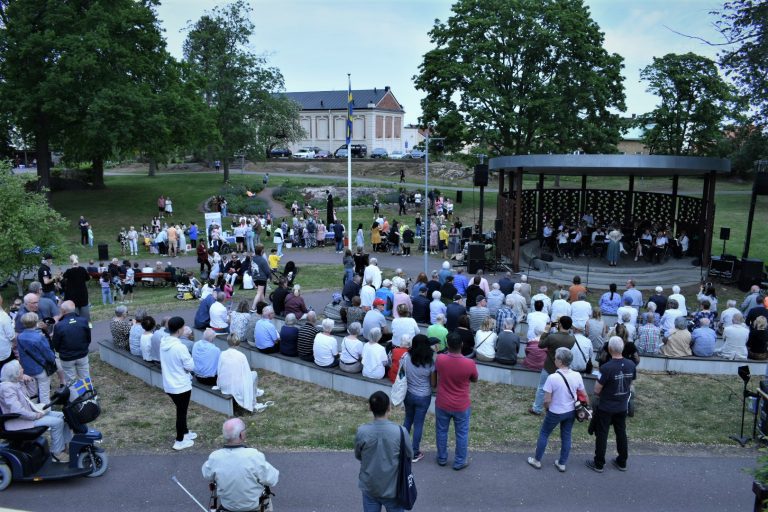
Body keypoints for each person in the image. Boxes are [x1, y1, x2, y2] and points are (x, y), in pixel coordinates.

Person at [0, 360, 72, 463]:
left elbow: (31, 394)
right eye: (20, 368)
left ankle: (64, 446)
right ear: (14, 373)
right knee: (57, 422)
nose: (23, 369)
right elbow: (16, 409)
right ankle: (57, 454)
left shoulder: (15, 382)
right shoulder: (7, 388)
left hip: (28, 415)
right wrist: (34, 416)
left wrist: (30, 381)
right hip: (19, 421)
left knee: (63, 415)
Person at [527, 347, 586, 472]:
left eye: (556, 357)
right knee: (566, 436)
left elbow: (547, 400)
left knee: (544, 433)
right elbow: (583, 394)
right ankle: (562, 463)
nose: (554, 359)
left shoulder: (552, 378)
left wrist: (547, 409)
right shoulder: (577, 375)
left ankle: (537, 460)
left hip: (555, 411)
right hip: (570, 411)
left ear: (560, 361)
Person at [202, 418, 279, 512]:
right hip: (255, 507)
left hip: (228, 507)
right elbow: (272, 479)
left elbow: (206, 474)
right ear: (241, 435)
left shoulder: (215, 457)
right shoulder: (254, 455)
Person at [355, 391, 412, 511]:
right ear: (389, 407)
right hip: (394, 488)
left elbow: (359, 455)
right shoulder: (401, 432)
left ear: (370, 408)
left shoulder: (362, 431)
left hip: (370, 486)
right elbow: (409, 455)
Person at [586, 336, 636, 473]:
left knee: (602, 434)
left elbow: (597, 390)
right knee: (621, 433)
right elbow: (631, 384)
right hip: (621, 406)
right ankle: (622, 461)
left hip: (606, 406)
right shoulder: (631, 365)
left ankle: (599, 463)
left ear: (609, 349)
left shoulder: (606, 368)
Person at [434, 332, 478, 470]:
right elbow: (474, 379)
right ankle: (459, 461)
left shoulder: (440, 359)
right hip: (461, 404)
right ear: (462, 345)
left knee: (441, 431)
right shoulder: (469, 363)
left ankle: (442, 458)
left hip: (442, 402)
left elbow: (437, 373)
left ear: (447, 344)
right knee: (462, 433)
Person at [159, 317, 197, 451]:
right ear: (180, 329)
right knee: (181, 412)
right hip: (181, 385)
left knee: (182, 411)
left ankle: (185, 432)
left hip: (169, 384)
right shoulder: (180, 347)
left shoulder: (164, 342)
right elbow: (191, 366)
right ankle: (179, 440)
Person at [530, 316, 576, 416]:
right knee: (558, 390)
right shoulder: (572, 339)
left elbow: (540, 344)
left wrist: (546, 331)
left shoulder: (552, 337)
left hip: (549, 366)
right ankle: (552, 408)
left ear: (559, 324)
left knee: (542, 388)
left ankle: (537, 408)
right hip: (562, 368)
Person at [401, 334, 434, 464]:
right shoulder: (430, 362)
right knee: (418, 423)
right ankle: (415, 452)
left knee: (408, 419)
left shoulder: (406, 357)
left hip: (408, 393)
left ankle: (402, 448)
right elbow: (433, 383)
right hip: (423, 395)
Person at [218, 333, 266, 414]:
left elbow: (219, 370)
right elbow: (246, 374)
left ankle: (253, 393)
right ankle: (253, 400)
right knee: (254, 374)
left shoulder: (222, 354)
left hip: (224, 385)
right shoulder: (241, 356)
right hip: (235, 386)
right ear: (238, 343)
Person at [16, 312, 57, 405]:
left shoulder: (19, 337)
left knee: (32, 394)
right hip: (40, 369)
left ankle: (34, 410)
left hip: (27, 370)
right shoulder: (39, 337)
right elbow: (48, 354)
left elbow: (21, 353)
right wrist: (53, 360)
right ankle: (46, 413)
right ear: (36, 322)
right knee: (44, 394)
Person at [51, 301, 91, 382]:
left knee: (70, 381)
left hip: (67, 357)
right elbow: (88, 338)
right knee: (85, 378)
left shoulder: (59, 325)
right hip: (82, 354)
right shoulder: (84, 321)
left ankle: (74, 394)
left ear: (63, 311)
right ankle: (88, 394)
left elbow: (55, 344)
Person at [61, 254, 91, 322]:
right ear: (78, 261)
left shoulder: (68, 271)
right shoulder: (83, 270)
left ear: (71, 262)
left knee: (74, 316)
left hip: (72, 296)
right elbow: (88, 278)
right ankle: (87, 328)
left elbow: (63, 280)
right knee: (85, 317)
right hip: (83, 295)